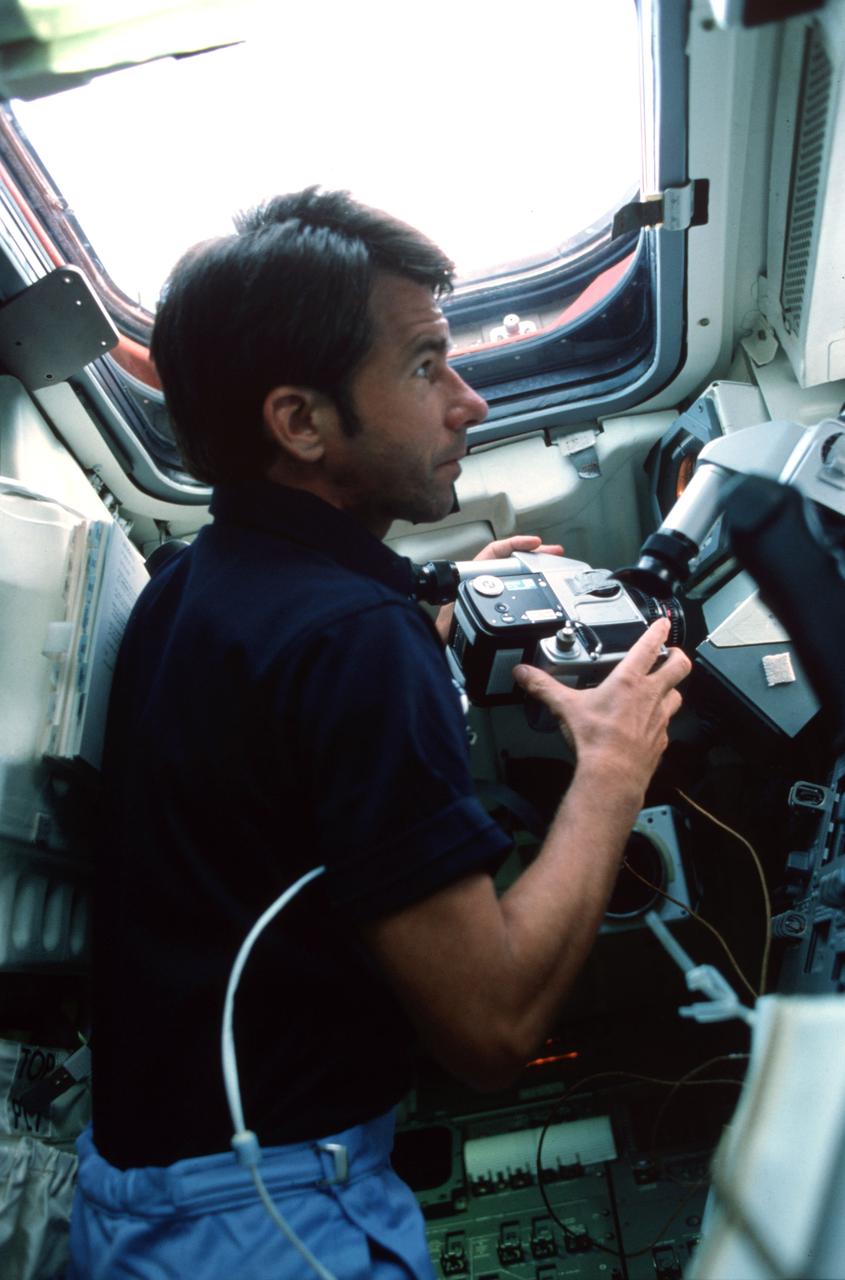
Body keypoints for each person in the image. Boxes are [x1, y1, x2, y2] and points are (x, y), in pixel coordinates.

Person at [67, 187, 691, 1279]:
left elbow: (300, 651)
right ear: (300, 422)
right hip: (270, 1214)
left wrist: (436, 595)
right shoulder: (352, 643)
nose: (470, 401)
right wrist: (611, 763)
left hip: (143, 1195)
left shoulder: (194, 582)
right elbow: (492, 1029)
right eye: (424, 366)